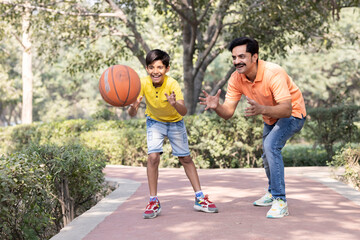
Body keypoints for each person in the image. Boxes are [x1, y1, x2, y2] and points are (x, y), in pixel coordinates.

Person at [199, 37, 306, 218]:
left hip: (293, 114)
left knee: (271, 146)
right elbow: (228, 113)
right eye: (234, 57)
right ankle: (273, 192)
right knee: (266, 154)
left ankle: (280, 201)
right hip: (270, 116)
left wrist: (262, 109)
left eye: (242, 56)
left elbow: (287, 109)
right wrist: (217, 106)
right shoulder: (236, 78)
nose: (236, 61)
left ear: (254, 56)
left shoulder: (273, 73)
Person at [128, 49, 218, 219]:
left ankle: (200, 198)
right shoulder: (142, 84)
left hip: (175, 122)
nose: (156, 71)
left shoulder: (172, 84)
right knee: (153, 157)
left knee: (185, 158)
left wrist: (174, 103)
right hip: (154, 122)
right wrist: (134, 106)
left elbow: (183, 111)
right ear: (147, 69)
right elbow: (131, 114)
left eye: (160, 67)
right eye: (152, 67)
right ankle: (153, 200)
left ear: (167, 68)